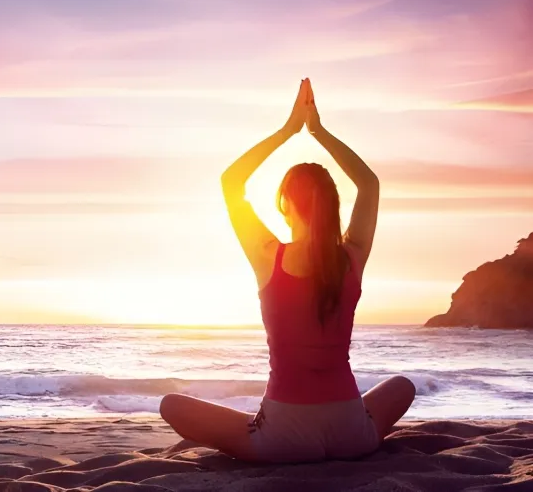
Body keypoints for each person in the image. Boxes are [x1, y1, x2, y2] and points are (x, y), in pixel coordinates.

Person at [158, 79, 416, 463]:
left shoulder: (268, 255)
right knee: (402, 386)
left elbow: (232, 182)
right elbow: (369, 183)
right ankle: (310, 425)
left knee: (172, 405)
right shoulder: (353, 256)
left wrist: (288, 130)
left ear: (284, 204)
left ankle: (264, 423)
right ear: (333, 206)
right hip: (352, 433)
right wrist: (319, 131)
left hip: (283, 441)